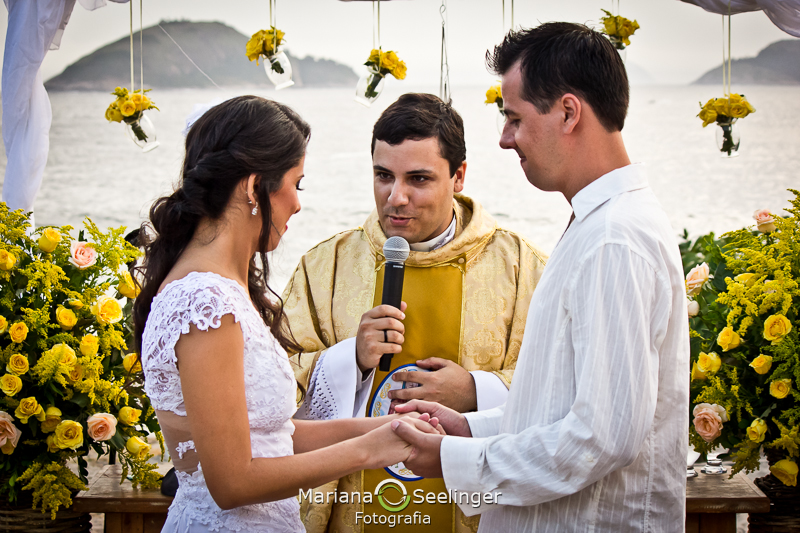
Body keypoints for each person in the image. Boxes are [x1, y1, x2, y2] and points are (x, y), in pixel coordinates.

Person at [392, 23, 691, 532]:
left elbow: (602, 436)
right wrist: (468, 428)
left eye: (514, 118)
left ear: (569, 112)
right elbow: (563, 403)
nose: (505, 139)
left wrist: (456, 461)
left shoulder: (614, 239)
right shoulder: (601, 223)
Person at [134, 96, 442, 533]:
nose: (297, 204)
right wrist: (369, 452)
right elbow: (232, 483)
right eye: (296, 184)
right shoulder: (205, 302)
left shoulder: (218, 287)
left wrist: (385, 427)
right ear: (252, 186)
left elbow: (274, 437)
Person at [282, 93, 547, 532]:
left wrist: (476, 392)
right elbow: (272, 390)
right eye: (383, 176)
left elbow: (560, 389)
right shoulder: (325, 266)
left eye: (418, 179)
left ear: (458, 176)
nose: (396, 197)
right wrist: (351, 360)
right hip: (357, 504)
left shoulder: (520, 267)